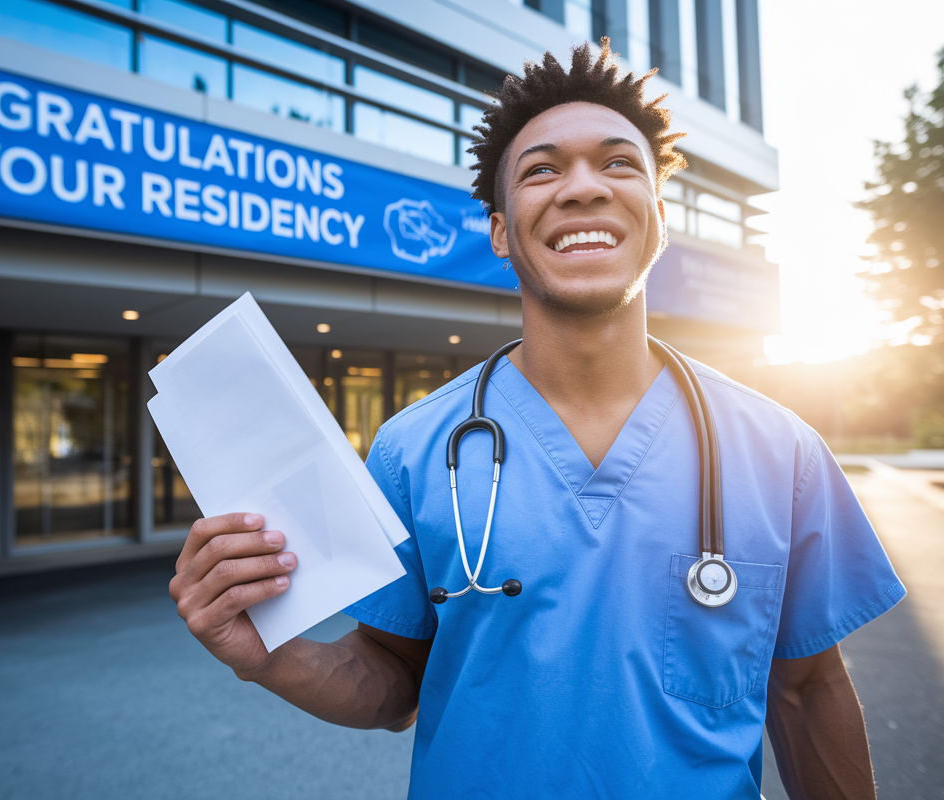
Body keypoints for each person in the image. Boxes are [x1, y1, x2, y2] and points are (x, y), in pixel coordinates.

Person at [168, 42, 905, 799]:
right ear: (498, 231)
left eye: (619, 164)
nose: (583, 188)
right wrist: (270, 657)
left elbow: (808, 688)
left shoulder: (782, 454)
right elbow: (392, 680)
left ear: (659, 216)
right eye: (542, 169)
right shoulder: (413, 450)